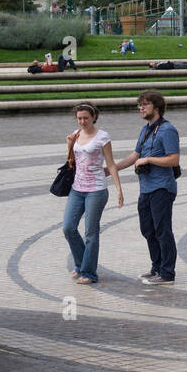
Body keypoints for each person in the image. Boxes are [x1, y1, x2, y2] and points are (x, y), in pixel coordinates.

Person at [114, 90, 180, 286]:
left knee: (162, 230)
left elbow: (174, 159)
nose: (141, 108)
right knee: (148, 230)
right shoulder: (145, 130)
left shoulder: (167, 130)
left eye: (145, 104)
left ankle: (167, 273)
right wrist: (112, 169)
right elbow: (135, 155)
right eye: (139, 105)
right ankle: (156, 268)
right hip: (146, 189)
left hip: (162, 188)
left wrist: (149, 159)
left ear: (157, 107)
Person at [63, 102, 123, 285]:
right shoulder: (75, 135)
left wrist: (118, 188)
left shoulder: (103, 137)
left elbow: (111, 164)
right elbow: (72, 162)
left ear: (94, 117)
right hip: (77, 188)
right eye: (79, 118)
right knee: (68, 227)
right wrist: (69, 145)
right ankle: (81, 264)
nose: (82, 122)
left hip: (96, 190)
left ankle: (89, 273)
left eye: (86, 118)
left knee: (91, 232)